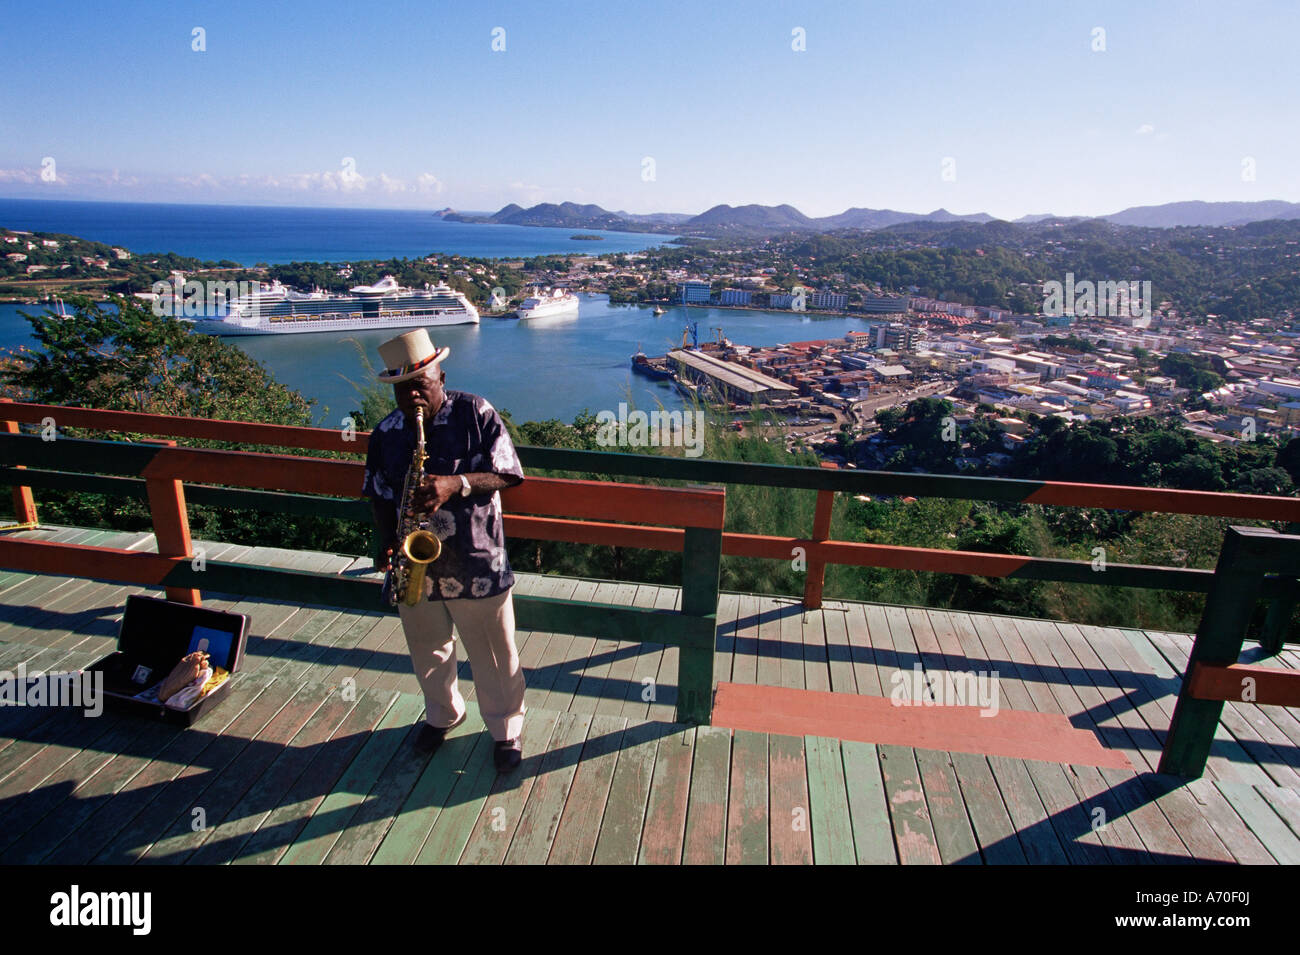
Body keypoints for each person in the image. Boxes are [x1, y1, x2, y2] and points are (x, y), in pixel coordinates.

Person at [361, 328, 526, 773]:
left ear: (442, 377)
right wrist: (386, 544)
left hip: (476, 560)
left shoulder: (476, 412)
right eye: (403, 388)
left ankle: (506, 727)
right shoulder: (387, 433)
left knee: (494, 652)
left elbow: (508, 474)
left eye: (422, 384)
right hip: (416, 565)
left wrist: (458, 483)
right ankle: (443, 713)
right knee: (427, 648)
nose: (413, 394)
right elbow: (377, 493)